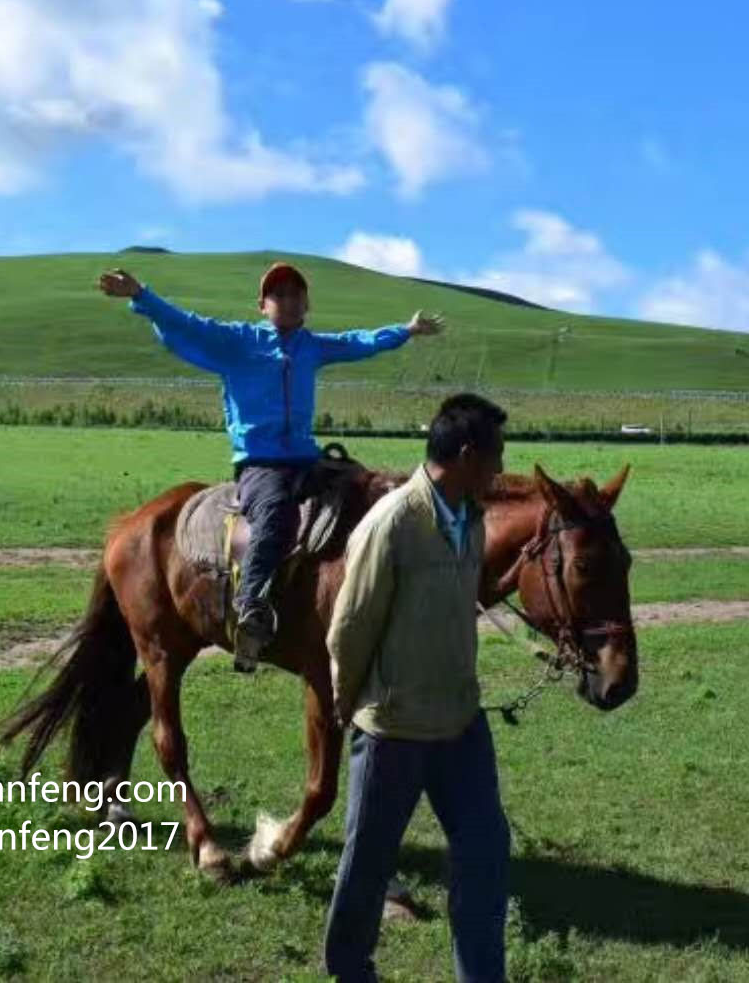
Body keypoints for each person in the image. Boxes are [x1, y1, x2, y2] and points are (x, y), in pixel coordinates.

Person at [98, 260, 444, 671]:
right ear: (262, 305)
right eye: (278, 295)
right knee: (274, 517)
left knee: (369, 491)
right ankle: (251, 607)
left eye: (296, 295)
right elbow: (186, 324)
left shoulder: (311, 346)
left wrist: (404, 331)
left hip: (307, 460)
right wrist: (141, 295)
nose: (288, 301)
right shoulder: (236, 342)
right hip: (261, 465)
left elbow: (358, 341)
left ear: (306, 304)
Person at [324, 393, 511, 983]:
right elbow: (349, 627)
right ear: (463, 455)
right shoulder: (393, 523)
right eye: (495, 457)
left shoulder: (474, 521)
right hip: (393, 727)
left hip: (460, 723)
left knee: (486, 853)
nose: (500, 470)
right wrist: (349, 705)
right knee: (367, 864)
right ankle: (349, 970)